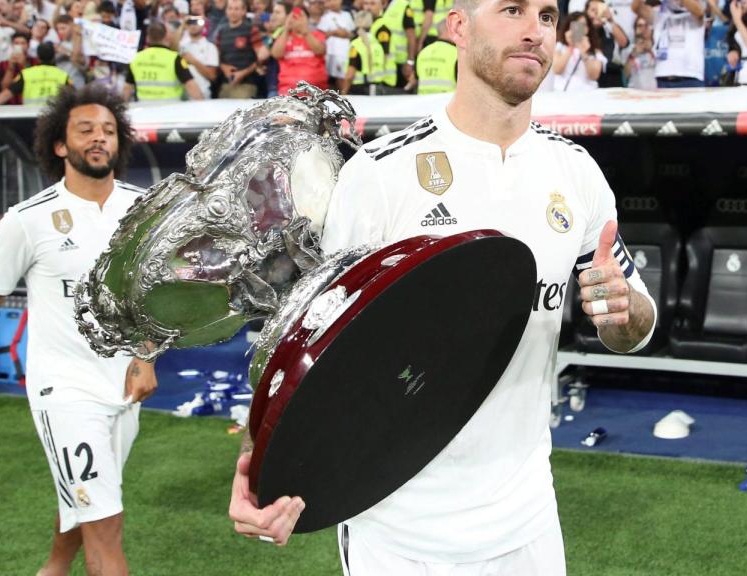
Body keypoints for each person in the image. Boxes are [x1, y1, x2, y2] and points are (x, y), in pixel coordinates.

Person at [228, 1, 657, 575]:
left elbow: (636, 328)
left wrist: (622, 313)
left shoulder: (575, 173)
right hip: (397, 532)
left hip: (527, 525)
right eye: (512, 10)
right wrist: (259, 462)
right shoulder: (381, 173)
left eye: (547, 17)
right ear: (458, 27)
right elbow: (305, 343)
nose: (535, 31)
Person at [0, 85, 157, 576]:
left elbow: (153, 296)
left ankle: (53, 569)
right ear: (60, 144)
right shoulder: (27, 220)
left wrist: (146, 355)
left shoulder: (145, 211)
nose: (99, 138)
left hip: (125, 388)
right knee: (105, 521)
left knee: (87, 497)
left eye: (108, 130)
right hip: (64, 390)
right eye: (85, 130)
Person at [633, 0, 706, 88]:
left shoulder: (695, 12)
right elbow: (636, 7)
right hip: (663, 76)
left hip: (690, 76)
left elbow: (699, 12)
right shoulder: (659, 14)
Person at [124, 21, 203, 100]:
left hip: (144, 105)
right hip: (170, 106)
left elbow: (127, 88)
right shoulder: (175, 58)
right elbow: (191, 86)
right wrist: (203, 104)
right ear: (166, 36)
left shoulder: (136, 58)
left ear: (147, 38)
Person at [270, 3, 327, 94]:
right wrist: (286, 29)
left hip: (315, 91)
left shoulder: (317, 34)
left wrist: (305, 32)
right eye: (293, 17)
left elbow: (320, 50)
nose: (297, 19)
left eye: (300, 17)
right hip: (288, 91)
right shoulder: (283, 37)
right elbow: (276, 54)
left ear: (307, 19)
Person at [0, 41, 71, 104]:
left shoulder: (26, 74)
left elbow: (6, 94)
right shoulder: (63, 75)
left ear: (38, 57)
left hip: (30, 116)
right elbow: (73, 96)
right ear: (53, 57)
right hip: (54, 116)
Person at [341, 9, 385, 94]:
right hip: (377, 89)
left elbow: (350, 74)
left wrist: (343, 93)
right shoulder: (377, 44)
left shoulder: (356, 45)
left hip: (359, 90)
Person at [176, 13, 219, 98]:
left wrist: (193, 61)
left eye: (197, 22)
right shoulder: (181, 45)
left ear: (203, 24)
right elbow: (171, 46)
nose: (193, 25)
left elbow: (212, 76)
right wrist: (182, 25)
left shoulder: (210, 47)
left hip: (202, 91)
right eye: (190, 22)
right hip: (182, 94)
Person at [414, 19, 455, 94]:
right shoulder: (457, 53)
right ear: (450, 30)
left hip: (423, 99)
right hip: (447, 99)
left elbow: (415, 78)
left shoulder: (423, 52)